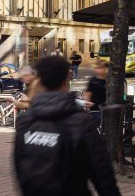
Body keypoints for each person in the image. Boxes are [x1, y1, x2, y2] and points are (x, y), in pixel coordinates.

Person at [13, 54, 120, 196]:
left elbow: (19, 167)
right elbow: (103, 175)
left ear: (39, 80)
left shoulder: (25, 120)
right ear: (66, 79)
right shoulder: (81, 122)